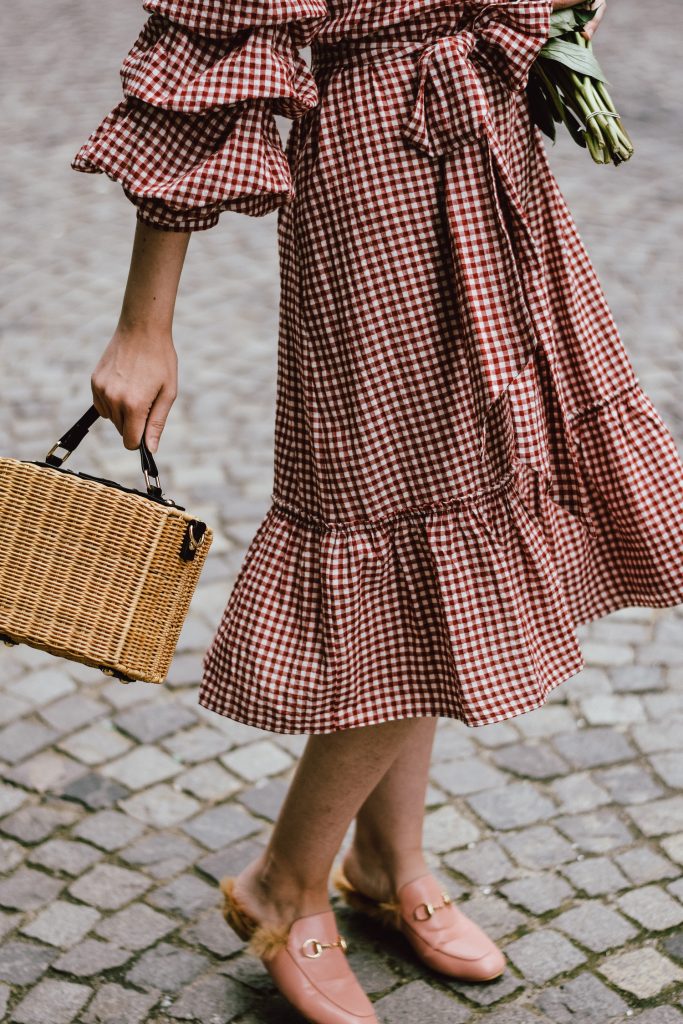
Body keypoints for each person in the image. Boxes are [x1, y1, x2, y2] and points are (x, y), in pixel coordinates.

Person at [74, 1, 683, 1022]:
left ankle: (383, 855)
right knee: (404, 521)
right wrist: (145, 324)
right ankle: (283, 880)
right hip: (373, 190)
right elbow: (207, 49)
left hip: (489, 159)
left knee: (460, 505)